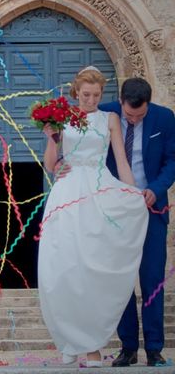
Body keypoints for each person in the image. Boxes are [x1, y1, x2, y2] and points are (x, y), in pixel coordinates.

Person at [37, 66, 148, 367]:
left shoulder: (110, 119)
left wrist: (134, 194)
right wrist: (51, 138)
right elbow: (50, 165)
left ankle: (93, 347)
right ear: (76, 93)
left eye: (96, 95)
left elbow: (121, 162)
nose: (91, 100)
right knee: (64, 267)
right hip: (67, 191)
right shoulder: (61, 117)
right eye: (86, 95)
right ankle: (69, 340)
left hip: (99, 189)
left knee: (91, 269)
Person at [100, 77, 175, 367]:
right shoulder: (105, 114)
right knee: (120, 282)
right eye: (129, 115)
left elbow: (172, 161)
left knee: (152, 280)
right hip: (115, 213)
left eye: (139, 115)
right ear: (120, 102)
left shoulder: (165, 118)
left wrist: (155, 190)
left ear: (148, 104)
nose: (132, 120)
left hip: (152, 211)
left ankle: (154, 349)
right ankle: (128, 347)